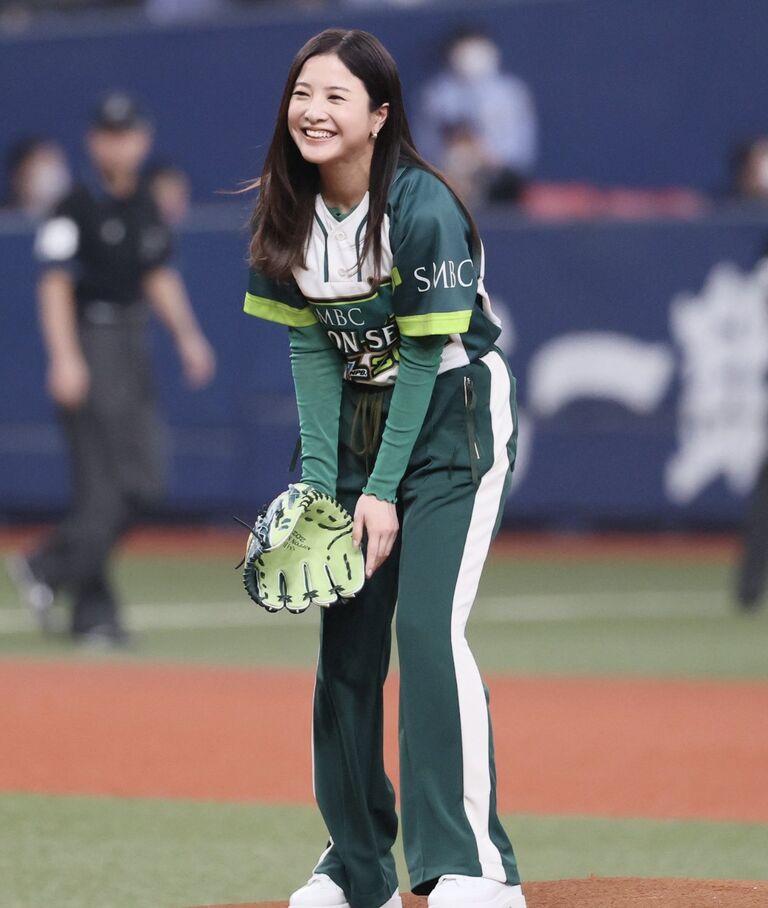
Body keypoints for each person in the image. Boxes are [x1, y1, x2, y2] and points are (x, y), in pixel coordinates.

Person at [243, 29, 524, 908]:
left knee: (427, 631)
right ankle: (355, 866)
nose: (313, 110)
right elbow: (312, 352)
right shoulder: (288, 205)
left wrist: (379, 492)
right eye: (303, 93)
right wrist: (321, 488)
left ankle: (473, 867)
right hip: (360, 427)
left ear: (379, 115)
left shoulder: (421, 206)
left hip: (450, 420)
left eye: (336, 96)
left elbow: (422, 360)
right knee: (347, 649)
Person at [6, 91, 216, 646]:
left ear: (143, 140)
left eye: (128, 134)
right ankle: (92, 614)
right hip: (92, 338)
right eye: (108, 134)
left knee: (146, 482)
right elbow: (54, 284)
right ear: (93, 141)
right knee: (100, 484)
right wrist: (65, 356)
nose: (119, 145)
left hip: (132, 340)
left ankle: (49, 565)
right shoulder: (74, 205)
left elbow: (157, 275)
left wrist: (188, 336)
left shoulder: (144, 203)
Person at [416, 27, 537, 206]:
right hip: (448, 176)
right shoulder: (436, 95)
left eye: (478, 48)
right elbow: (425, 144)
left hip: (499, 178)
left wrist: (489, 157)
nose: (472, 56)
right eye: (465, 49)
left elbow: (520, 150)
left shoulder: (511, 92)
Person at [3, 136, 72, 218]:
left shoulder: (77, 218)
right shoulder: (5, 219)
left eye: (58, 166)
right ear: (18, 178)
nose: (55, 178)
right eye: (43, 171)